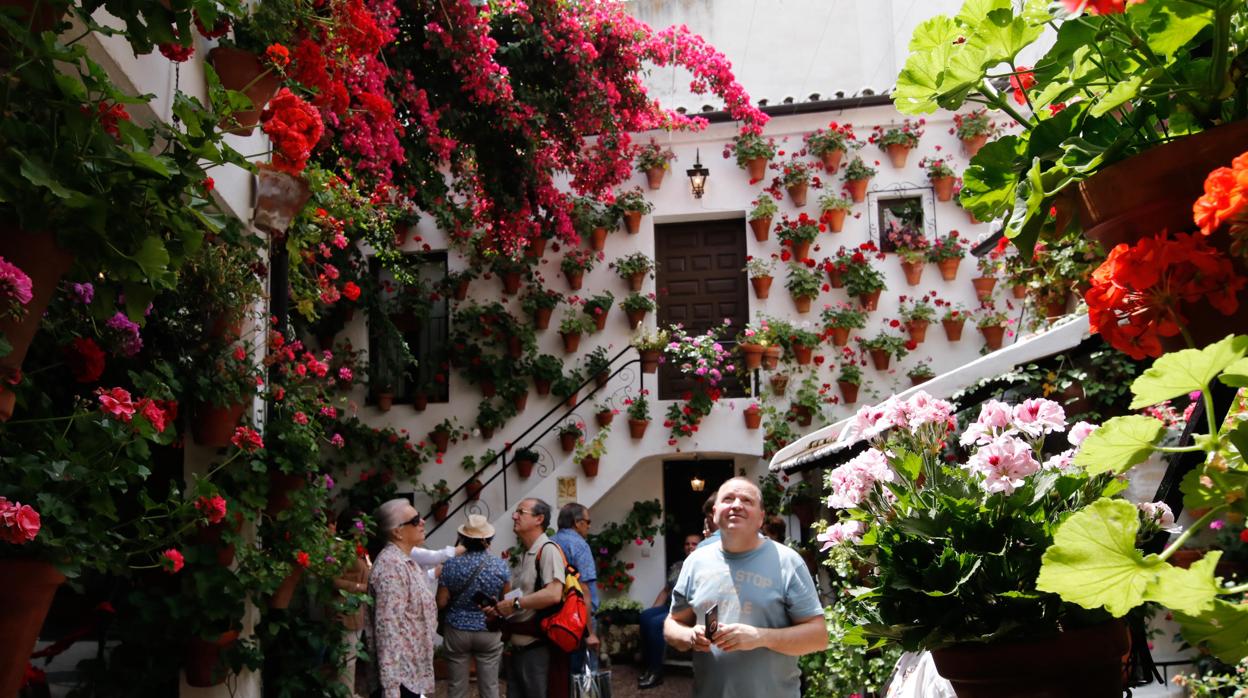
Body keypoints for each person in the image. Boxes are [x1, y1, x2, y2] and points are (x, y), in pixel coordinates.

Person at [663, 477, 827, 698]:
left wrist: (761, 637)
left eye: (747, 500)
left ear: (761, 517)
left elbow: (818, 636)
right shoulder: (695, 562)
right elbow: (673, 624)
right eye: (728, 498)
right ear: (714, 512)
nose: (736, 504)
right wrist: (690, 636)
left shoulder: (787, 561)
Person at [489, 498, 565, 698]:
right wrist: (500, 609)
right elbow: (524, 599)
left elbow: (553, 593)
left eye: (521, 512)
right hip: (519, 650)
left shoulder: (548, 550)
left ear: (539, 519)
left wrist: (514, 603)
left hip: (537, 650)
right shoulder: (527, 554)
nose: (514, 516)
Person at [368, 498, 438, 698]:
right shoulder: (392, 566)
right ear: (397, 532)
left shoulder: (406, 563)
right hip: (400, 681)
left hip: (411, 676)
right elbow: (387, 631)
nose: (422, 521)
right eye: (415, 520)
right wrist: (391, 690)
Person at [437, 514, 511, 698]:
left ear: (463, 538)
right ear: (488, 540)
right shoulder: (500, 566)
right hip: (488, 628)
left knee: (456, 686)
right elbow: (506, 602)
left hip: (456, 630)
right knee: (490, 687)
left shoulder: (451, 565)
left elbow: (441, 602)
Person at [637, 532, 702, 689]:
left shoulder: (702, 565)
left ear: (701, 546)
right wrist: (655, 608)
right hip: (669, 606)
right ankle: (648, 663)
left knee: (654, 623)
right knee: (645, 616)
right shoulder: (677, 565)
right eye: (687, 544)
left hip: (686, 611)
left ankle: (656, 672)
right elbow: (666, 590)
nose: (690, 547)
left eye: (694, 544)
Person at [551, 502, 600, 681]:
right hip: (579, 618)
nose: (589, 526)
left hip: (556, 616)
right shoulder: (579, 546)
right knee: (585, 675)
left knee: (562, 671)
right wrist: (590, 633)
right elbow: (584, 590)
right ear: (577, 523)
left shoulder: (551, 542)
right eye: (588, 522)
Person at [332, 510, 372, 698]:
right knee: (346, 657)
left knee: (352, 656)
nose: (363, 529)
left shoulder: (357, 548)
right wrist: (359, 586)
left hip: (358, 610)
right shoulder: (338, 549)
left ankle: (349, 692)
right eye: (359, 525)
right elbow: (333, 580)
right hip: (345, 609)